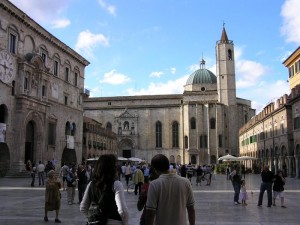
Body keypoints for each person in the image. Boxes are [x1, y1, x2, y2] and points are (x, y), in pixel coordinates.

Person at [145, 154, 195, 225]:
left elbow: (150, 213)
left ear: (155, 170)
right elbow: (191, 209)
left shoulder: (154, 185)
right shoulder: (186, 182)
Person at [80, 154, 129, 225]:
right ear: (111, 168)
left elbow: (83, 208)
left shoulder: (91, 184)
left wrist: (94, 218)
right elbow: (122, 210)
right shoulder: (116, 184)